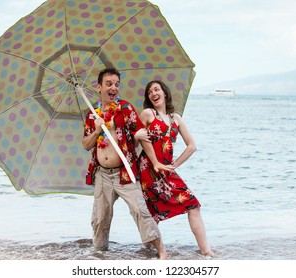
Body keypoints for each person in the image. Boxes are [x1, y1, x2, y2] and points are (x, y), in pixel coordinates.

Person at [82, 68, 168, 259]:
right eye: (109, 84)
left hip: (125, 172)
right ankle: (99, 255)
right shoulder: (91, 114)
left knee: (140, 210)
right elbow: (86, 144)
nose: (114, 88)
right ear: (99, 87)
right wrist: (97, 131)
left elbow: (141, 134)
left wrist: (154, 161)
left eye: (116, 84)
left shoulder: (126, 109)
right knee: (100, 218)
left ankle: (162, 252)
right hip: (102, 174)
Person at [136, 80, 217, 257]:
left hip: (166, 170)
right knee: (152, 213)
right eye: (149, 92)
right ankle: (152, 252)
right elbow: (137, 138)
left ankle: (206, 250)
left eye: (156, 90)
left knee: (193, 205)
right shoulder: (148, 114)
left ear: (164, 93)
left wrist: (175, 165)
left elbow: (192, 146)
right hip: (148, 169)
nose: (153, 93)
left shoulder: (176, 119)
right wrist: (150, 156)